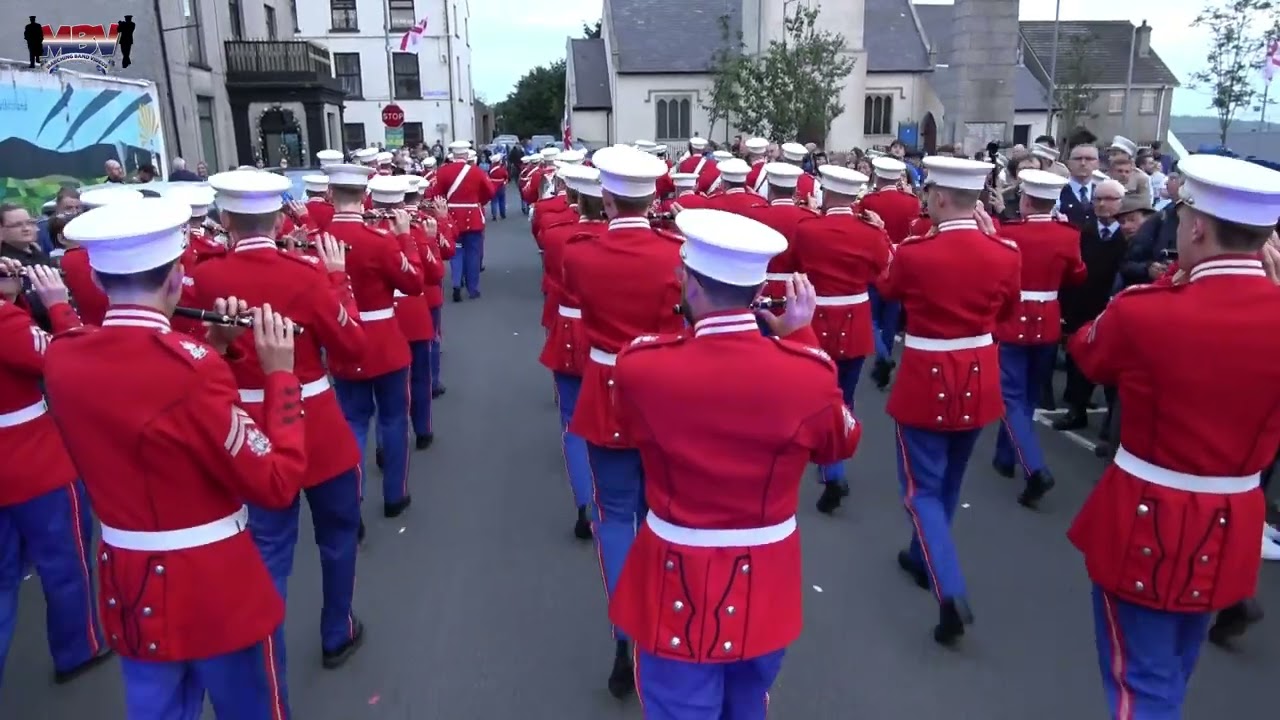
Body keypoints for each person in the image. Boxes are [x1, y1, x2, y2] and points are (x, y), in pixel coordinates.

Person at [49, 196, 307, 717]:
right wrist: (281, 374)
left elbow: (151, 408)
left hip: (128, 579)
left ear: (97, 279)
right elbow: (276, 481)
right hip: (214, 582)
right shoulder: (192, 370)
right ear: (175, 279)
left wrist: (214, 345)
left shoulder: (62, 356)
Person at [608, 210, 861, 719]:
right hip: (767, 576)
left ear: (692, 285)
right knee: (747, 704)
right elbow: (841, 441)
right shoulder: (807, 373)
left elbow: (628, 425)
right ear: (758, 292)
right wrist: (800, 336)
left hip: (676, 569)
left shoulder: (642, 366)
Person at [1064, 153, 1280, 717]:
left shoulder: (1146, 310)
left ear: (1199, 228)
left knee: (1141, 685)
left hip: (1147, 514)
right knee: (1174, 672)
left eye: (1182, 216)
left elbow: (1087, 351)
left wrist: (1167, 284)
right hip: (1233, 521)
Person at [182, 168, 370, 670]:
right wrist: (337, 279)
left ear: (226, 219)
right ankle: (337, 630)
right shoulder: (305, 273)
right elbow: (352, 346)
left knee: (267, 549)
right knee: (337, 536)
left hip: (246, 424)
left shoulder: (205, 275)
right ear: (278, 220)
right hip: (315, 421)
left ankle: (266, 658)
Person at [879, 156, 1021, 645]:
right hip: (979, 374)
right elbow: (1009, 309)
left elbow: (888, 288)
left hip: (927, 373)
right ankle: (923, 555)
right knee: (950, 479)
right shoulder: (1004, 251)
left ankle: (949, 588)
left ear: (939, 197)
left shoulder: (917, 252)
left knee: (921, 489)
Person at [561, 145, 685, 698]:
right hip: (663, 395)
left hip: (607, 390)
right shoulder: (675, 255)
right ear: (653, 198)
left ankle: (624, 635)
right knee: (663, 517)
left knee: (615, 519)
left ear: (606, 199)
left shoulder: (580, 253)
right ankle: (666, 624)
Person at [0, 259, 112, 688]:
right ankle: (78, 647)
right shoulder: (6, 323)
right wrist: (57, 305)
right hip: (33, 462)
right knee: (66, 562)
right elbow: (71, 362)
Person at [323, 164, 424, 520]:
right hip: (384, 343)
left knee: (352, 422)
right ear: (365, 195)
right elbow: (414, 283)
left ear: (330, 195)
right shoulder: (378, 240)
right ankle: (394, 494)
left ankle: (352, 504)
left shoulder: (316, 238)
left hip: (341, 340)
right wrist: (405, 238)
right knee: (393, 419)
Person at [788, 165, 890, 511]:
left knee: (817, 393)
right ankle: (836, 461)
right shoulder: (869, 232)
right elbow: (882, 269)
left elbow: (796, 264)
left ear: (827, 193)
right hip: (855, 319)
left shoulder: (808, 229)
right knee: (846, 394)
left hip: (817, 319)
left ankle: (831, 469)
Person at [990, 170, 1087, 507]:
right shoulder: (1068, 234)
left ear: (1027, 201)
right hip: (1047, 322)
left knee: (1011, 397)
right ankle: (1005, 456)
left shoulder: (1009, 231)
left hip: (1012, 318)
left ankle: (1035, 467)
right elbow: (1078, 275)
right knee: (1028, 395)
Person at [538, 164, 606, 540]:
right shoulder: (618, 240)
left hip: (569, 329)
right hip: (610, 336)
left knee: (573, 420)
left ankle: (584, 499)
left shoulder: (556, 234)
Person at [859, 156, 923, 390]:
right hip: (900, 260)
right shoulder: (911, 201)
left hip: (875, 260)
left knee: (871, 317)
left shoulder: (869, 200)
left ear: (877, 175)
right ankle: (883, 356)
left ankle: (883, 356)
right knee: (890, 316)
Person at [431, 141, 495, 302]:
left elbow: (436, 194)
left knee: (456, 251)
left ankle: (456, 283)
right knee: (473, 253)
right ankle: (473, 288)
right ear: (466, 155)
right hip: (473, 216)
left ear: (453, 155)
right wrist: (477, 202)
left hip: (451, 216)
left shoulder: (443, 171)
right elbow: (489, 191)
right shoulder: (477, 171)